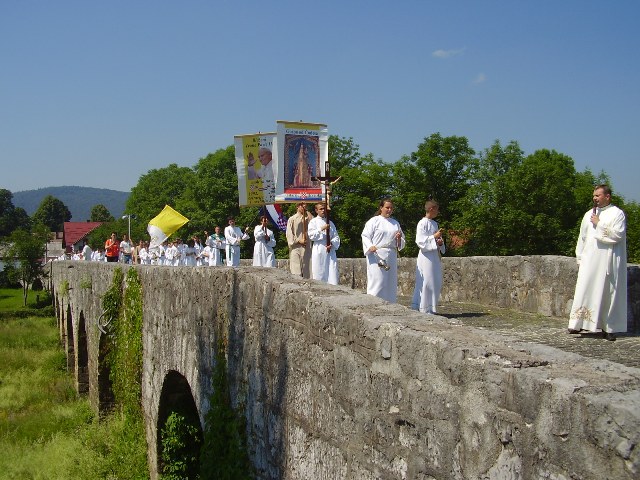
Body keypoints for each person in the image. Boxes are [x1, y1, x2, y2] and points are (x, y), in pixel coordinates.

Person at [568, 184, 627, 341]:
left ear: (607, 196)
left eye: (597, 196)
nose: (594, 198)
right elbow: (583, 237)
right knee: (585, 289)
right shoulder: (588, 214)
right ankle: (578, 323)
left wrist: (599, 223)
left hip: (608, 261)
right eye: (594, 195)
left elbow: (618, 235)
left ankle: (609, 328)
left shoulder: (617, 214)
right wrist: (579, 257)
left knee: (609, 293)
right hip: (589, 260)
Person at [361, 199, 405, 302]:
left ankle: (390, 303)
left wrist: (399, 238)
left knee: (390, 281)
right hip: (377, 254)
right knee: (378, 280)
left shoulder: (395, 223)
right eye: (387, 207)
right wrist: (370, 246)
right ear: (381, 208)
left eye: (391, 208)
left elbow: (402, 241)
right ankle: (373, 303)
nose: (389, 210)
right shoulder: (374, 221)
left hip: (391, 254)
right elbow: (365, 235)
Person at [411, 200, 446, 314]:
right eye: (437, 209)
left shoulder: (434, 224)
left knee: (435, 281)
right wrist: (434, 237)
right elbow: (420, 242)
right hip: (426, 256)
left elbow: (434, 240)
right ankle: (423, 307)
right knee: (426, 281)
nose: (438, 212)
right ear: (431, 209)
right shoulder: (422, 223)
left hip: (434, 256)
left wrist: (440, 242)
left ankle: (431, 307)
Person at [307, 202, 340, 285]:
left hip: (330, 250)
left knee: (331, 271)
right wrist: (322, 228)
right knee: (319, 271)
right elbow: (311, 235)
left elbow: (336, 236)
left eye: (324, 209)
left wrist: (331, 244)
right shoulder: (313, 222)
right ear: (316, 210)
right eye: (321, 209)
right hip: (319, 248)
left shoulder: (330, 223)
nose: (323, 211)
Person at [286, 202, 313, 278]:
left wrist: (307, 211)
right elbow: (289, 235)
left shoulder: (309, 218)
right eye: (302, 205)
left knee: (308, 272)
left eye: (305, 205)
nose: (304, 206)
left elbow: (315, 224)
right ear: (297, 206)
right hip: (296, 248)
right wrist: (298, 240)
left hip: (307, 248)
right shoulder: (292, 219)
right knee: (296, 273)